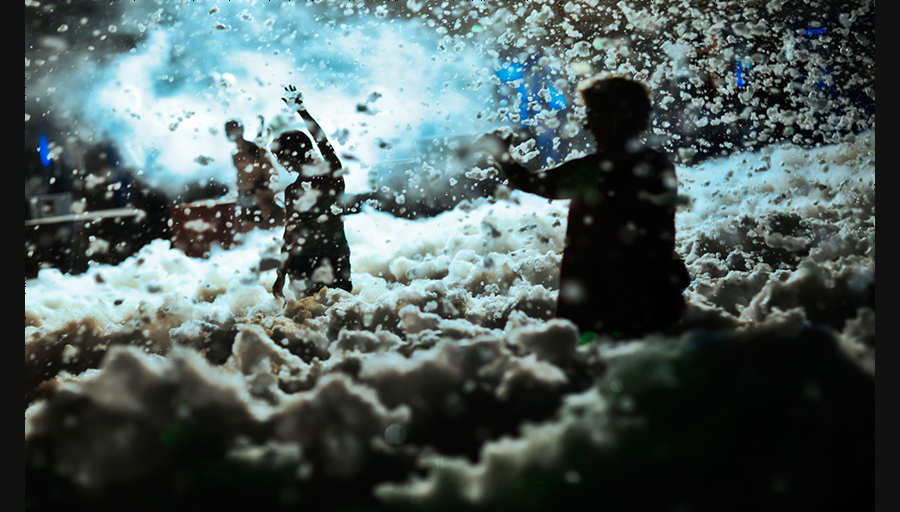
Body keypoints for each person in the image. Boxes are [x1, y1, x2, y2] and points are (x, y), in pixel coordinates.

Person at [481, 76, 690, 340]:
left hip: (603, 309)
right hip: (656, 301)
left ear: (612, 119)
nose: (588, 125)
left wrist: (501, 154)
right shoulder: (660, 165)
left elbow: (533, 182)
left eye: (592, 115)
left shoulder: (596, 170)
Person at [272, 85, 353, 299]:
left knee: (309, 320)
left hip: (307, 262)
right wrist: (280, 274)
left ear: (293, 155)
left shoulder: (296, 190)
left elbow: (291, 236)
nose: (281, 163)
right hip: (334, 257)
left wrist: (281, 274)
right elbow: (290, 233)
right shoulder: (332, 178)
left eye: (281, 157)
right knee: (339, 314)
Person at [225, 118, 285, 231]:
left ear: (241, 129)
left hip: (259, 195)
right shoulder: (234, 153)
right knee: (248, 232)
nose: (230, 133)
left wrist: (267, 190)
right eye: (227, 130)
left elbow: (270, 170)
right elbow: (240, 176)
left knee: (271, 227)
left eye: (233, 129)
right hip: (245, 195)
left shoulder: (254, 149)